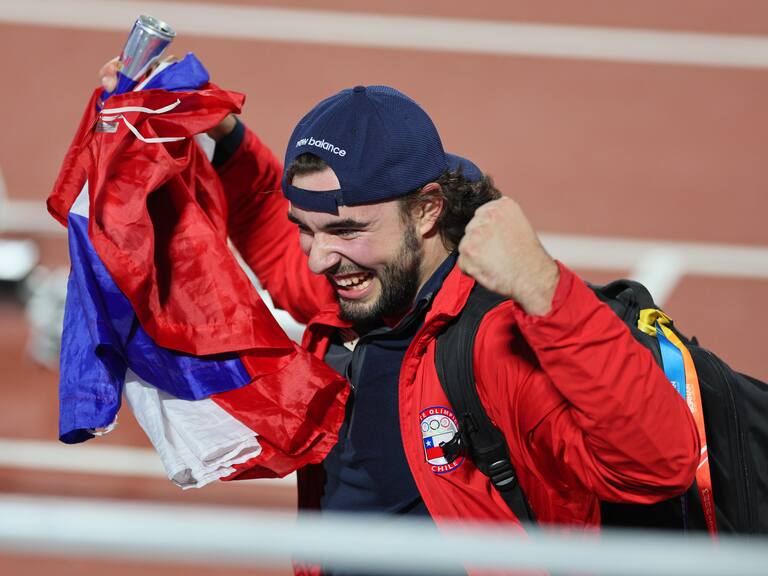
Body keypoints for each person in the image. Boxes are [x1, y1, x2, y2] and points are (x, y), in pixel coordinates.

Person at [101, 68, 699, 558]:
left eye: (345, 231)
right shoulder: (366, 291)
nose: (317, 262)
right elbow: (270, 223)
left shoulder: (495, 342)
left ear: (426, 211)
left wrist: (546, 287)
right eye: (306, 231)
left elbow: (656, 464)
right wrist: (221, 134)